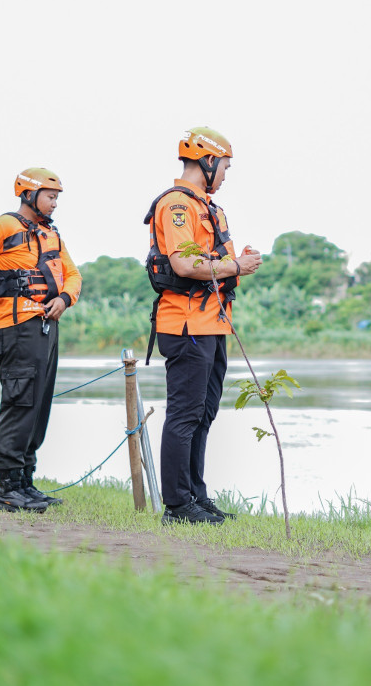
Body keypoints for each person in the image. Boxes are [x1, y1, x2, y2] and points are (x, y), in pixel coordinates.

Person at [144, 128, 262, 524]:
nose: (227, 174)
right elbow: (183, 264)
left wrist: (236, 263)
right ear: (207, 161)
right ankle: (177, 506)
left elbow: (217, 268)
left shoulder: (210, 207)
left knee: (205, 412)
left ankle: (196, 496)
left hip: (214, 324)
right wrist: (235, 265)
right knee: (185, 414)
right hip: (186, 324)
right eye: (225, 166)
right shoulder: (178, 205)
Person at [0, 168, 82, 513]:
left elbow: (73, 274)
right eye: (50, 196)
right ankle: (7, 490)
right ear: (28, 194)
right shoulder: (4, 226)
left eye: (57, 198)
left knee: (38, 406)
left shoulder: (50, 234)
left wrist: (64, 299)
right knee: (20, 404)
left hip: (46, 328)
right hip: (16, 328)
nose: (55, 203)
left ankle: (25, 483)